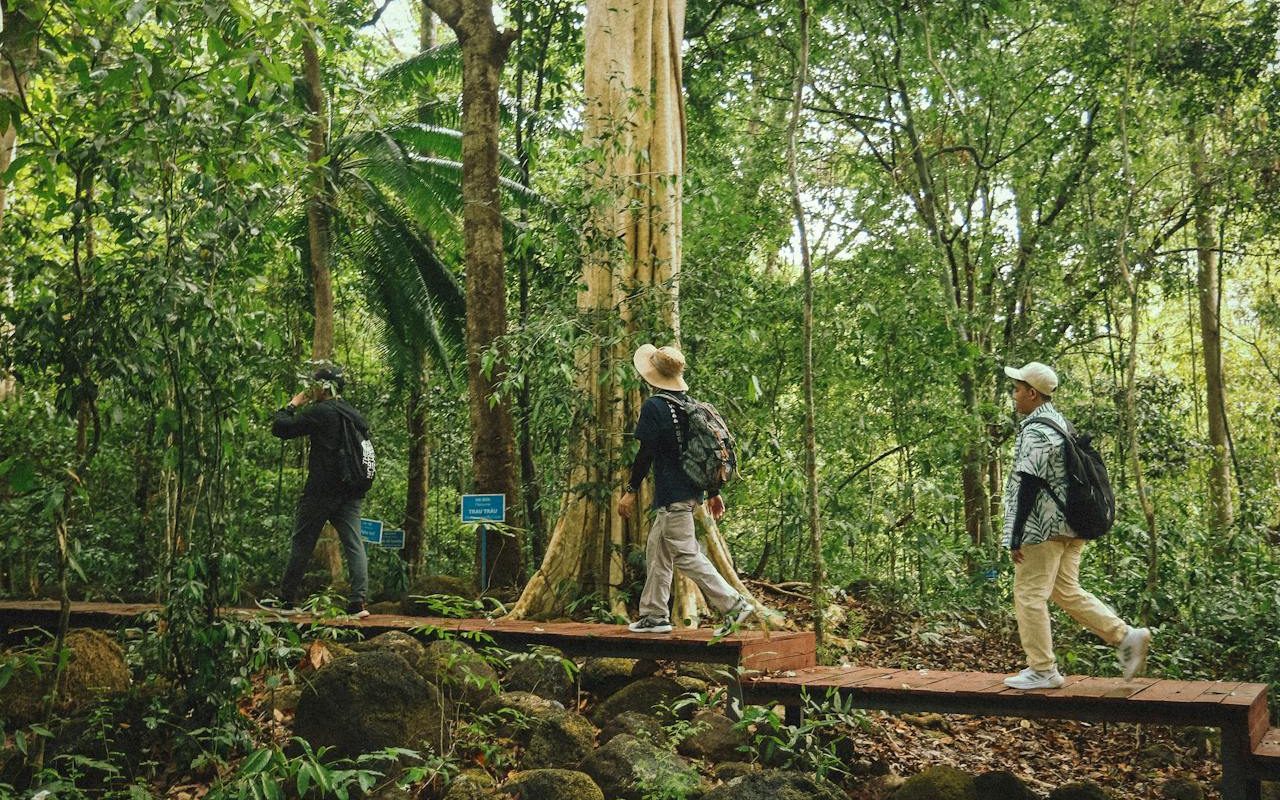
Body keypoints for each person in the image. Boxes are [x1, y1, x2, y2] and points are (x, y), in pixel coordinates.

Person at [1001, 361, 1151, 689]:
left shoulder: (1037, 429)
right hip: (1070, 527)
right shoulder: (1060, 423)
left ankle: (1042, 669)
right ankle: (1126, 636)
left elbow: (1028, 481)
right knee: (1065, 590)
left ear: (1032, 393)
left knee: (1028, 593)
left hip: (1042, 528)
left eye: (1017, 390)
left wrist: (1015, 534)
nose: (1014, 396)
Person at [618, 343, 753, 636]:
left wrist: (630, 489)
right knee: (657, 551)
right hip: (690, 493)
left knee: (686, 555)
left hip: (672, 496)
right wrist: (714, 491)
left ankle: (734, 605)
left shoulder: (655, 406)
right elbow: (703, 452)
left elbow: (646, 453)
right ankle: (654, 615)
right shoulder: (689, 405)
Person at [266, 362, 371, 618]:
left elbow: (281, 428)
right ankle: (358, 603)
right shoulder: (354, 415)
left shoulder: (322, 412)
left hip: (320, 491)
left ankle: (286, 601)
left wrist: (293, 403)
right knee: (354, 544)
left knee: (302, 543)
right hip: (351, 490)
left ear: (323, 387)